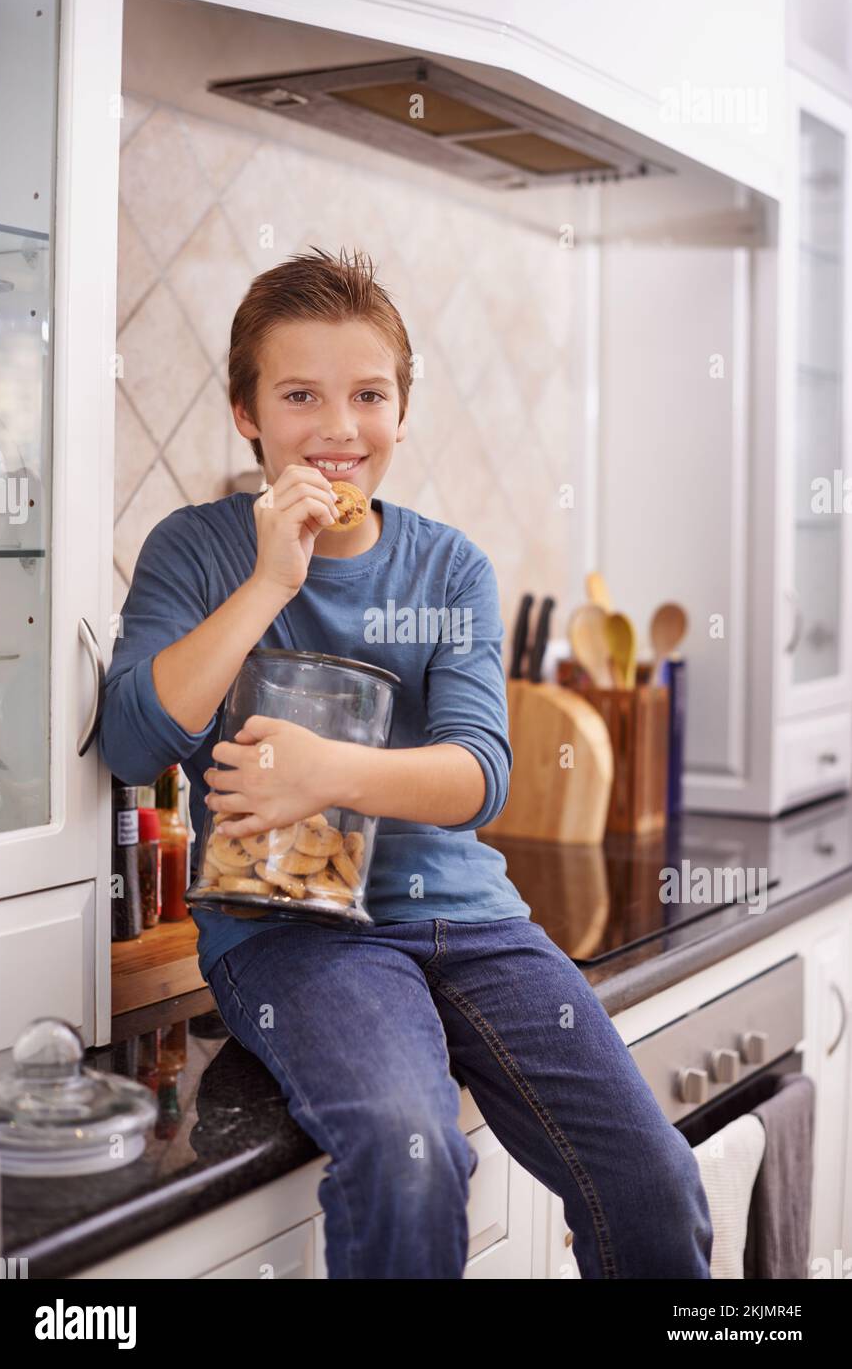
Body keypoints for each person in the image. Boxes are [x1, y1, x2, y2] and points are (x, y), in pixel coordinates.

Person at [98, 245, 712, 1280]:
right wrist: (266, 582)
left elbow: (479, 774)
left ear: (401, 409)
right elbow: (131, 738)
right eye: (301, 395)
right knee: (409, 1154)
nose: (340, 429)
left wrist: (322, 772)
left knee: (653, 1180)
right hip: (292, 940)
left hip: (472, 921)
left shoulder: (449, 565)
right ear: (247, 413)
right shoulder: (195, 551)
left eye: (368, 395)